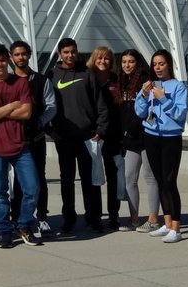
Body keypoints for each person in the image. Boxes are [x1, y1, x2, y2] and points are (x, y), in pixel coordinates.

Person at [0, 44, 38, 249]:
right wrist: (12, 106)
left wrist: (1, 110)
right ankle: (4, 231)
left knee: (32, 188)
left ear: (8, 61)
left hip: (20, 145)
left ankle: (22, 225)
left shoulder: (20, 83)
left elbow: (26, 113)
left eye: (2, 60)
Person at [49, 37, 109, 234]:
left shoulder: (87, 73)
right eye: (66, 52)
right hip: (64, 138)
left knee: (89, 180)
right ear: (60, 54)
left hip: (87, 137)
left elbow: (100, 104)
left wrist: (100, 130)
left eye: (73, 51)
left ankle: (93, 218)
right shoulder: (53, 75)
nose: (70, 55)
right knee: (66, 180)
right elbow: (46, 106)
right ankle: (69, 218)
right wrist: (52, 130)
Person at [135, 49, 188, 243]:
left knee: (169, 181)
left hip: (170, 138)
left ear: (169, 65)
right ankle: (166, 223)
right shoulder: (151, 85)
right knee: (159, 181)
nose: (158, 68)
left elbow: (180, 114)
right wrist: (143, 95)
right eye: (155, 64)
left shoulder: (178, 87)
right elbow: (140, 113)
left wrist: (163, 99)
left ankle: (176, 227)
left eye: (161, 64)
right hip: (151, 136)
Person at [7, 40, 56, 234]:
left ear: (29, 56)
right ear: (11, 57)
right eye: (17, 54)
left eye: (24, 54)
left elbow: (51, 106)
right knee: (16, 180)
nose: (21, 57)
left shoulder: (41, 80)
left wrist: (39, 122)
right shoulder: (7, 81)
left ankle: (42, 216)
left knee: (39, 178)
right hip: (14, 138)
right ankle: (17, 217)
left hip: (35, 138)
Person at [117, 49, 160, 231]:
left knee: (150, 177)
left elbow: (146, 111)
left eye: (131, 61)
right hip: (130, 139)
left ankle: (153, 220)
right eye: (124, 61)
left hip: (147, 135)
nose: (127, 65)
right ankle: (134, 218)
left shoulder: (146, 81)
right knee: (129, 178)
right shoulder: (121, 82)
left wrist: (130, 129)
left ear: (138, 63)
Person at [89, 46, 124, 229]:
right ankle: (95, 215)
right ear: (94, 60)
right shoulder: (89, 79)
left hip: (113, 136)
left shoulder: (116, 81)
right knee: (94, 177)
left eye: (107, 59)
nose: (103, 61)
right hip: (94, 135)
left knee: (114, 177)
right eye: (100, 58)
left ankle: (114, 215)